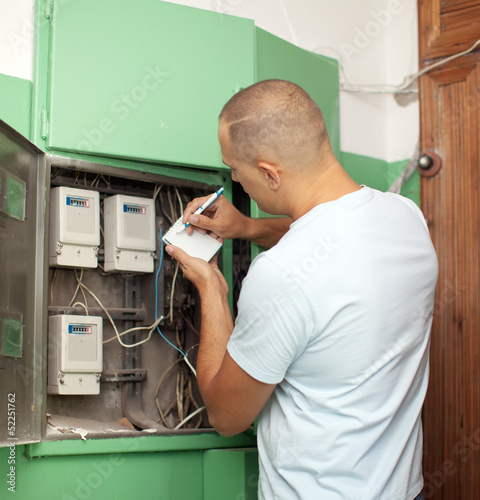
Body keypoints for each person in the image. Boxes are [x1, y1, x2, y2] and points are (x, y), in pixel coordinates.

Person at [165, 80, 438, 500]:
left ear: (270, 173)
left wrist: (212, 288)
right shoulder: (405, 216)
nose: (235, 178)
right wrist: (247, 228)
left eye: (236, 169)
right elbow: (329, 238)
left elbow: (225, 415)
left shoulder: (280, 274)